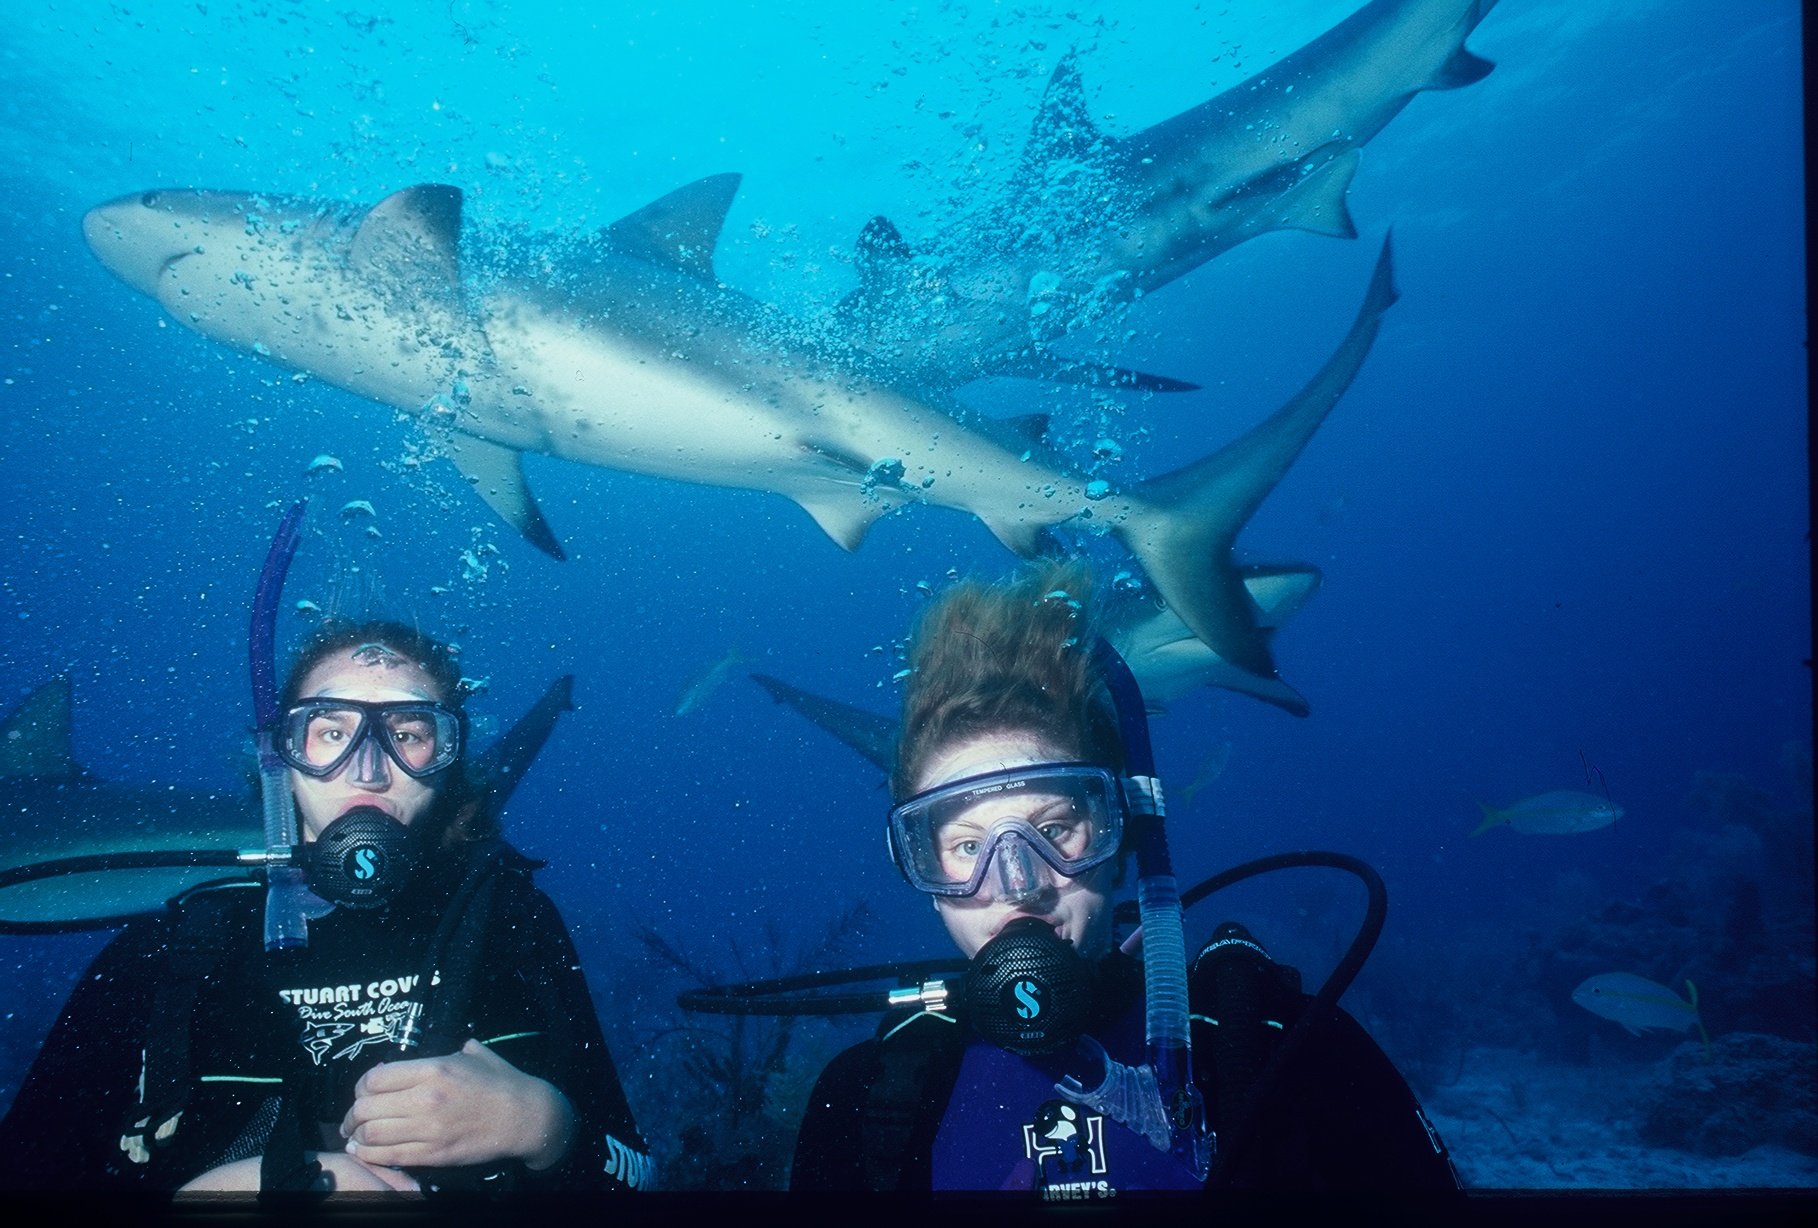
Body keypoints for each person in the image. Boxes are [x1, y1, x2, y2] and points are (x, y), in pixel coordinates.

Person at [789, 562, 1460, 1194]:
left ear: (1123, 842)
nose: (1020, 882)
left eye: (1053, 831)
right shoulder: (869, 1099)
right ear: (924, 876)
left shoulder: (1286, 1055)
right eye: (967, 846)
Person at [0, 619, 651, 1196]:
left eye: (409, 732)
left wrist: (544, 1128)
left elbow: (640, 1180)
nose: (367, 769)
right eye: (329, 731)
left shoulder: (509, 926)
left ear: (447, 763)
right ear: (281, 756)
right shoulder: (169, 954)